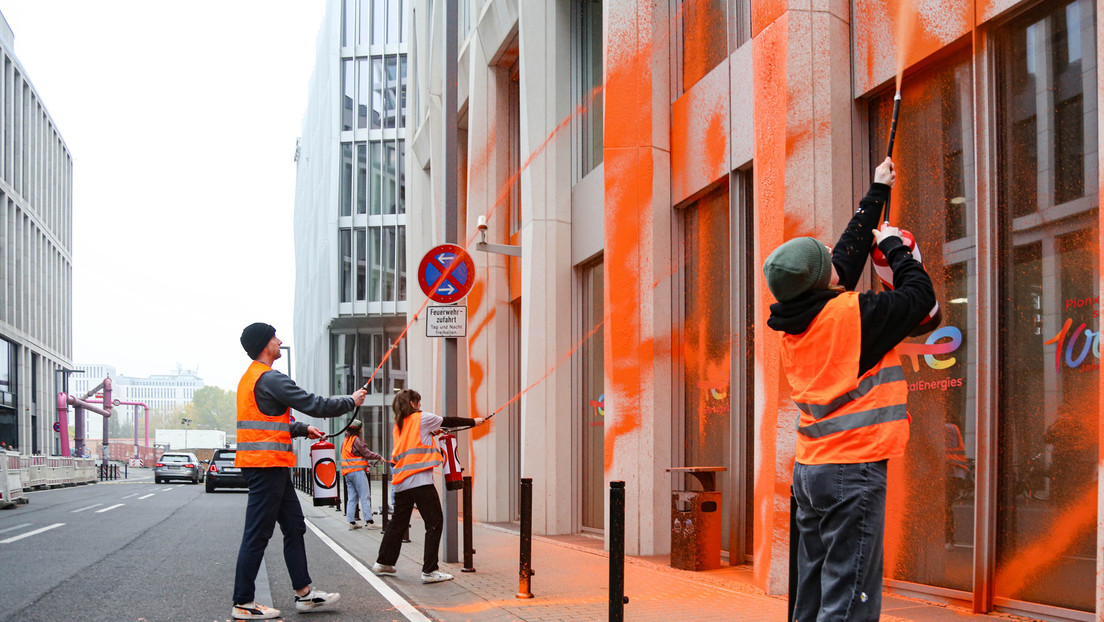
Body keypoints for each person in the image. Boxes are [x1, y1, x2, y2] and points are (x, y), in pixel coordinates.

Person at [764, 158, 936, 622]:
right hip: (851, 472)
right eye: (826, 263)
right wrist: (898, 250)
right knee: (848, 600)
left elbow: (842, 259)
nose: (835, 262)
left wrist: (875, 195)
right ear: (824, 283)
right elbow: (920, 299)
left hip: (811, 471)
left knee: (814, 593)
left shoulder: (794, 321)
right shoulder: (851, 318)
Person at [231, 322, 367, 621]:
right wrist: (350, 401)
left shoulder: (249, 380)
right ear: (265, 344)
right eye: (275, 338)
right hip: (266, 467)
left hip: (270, 467)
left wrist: (303, 429)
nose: (279, 342)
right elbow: (312, 403)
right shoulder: (270, 378)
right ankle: (243, 603)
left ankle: (304, 594)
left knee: (294, 526)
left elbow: (268, 424)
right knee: (257, 534)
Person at [371, 388, 486, 583]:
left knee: (398, 523)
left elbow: (417, 439)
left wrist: (433, 432)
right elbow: (448, 420)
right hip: (419, 481)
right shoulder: (421, 418)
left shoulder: (399, 424)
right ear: (413, 403)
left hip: (400, 482)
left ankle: (383, 562)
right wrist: (474, 422)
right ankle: (430, 570)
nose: (420, 405)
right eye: (418, 402)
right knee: (434, 522)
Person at [341, 418, 383, 530]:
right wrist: (378, 456)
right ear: (358, 429)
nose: (362, 429)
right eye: (361, 427)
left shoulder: (346, 440)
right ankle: (369, 522)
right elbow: (366, 453)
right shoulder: (356, 440)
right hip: (357, 473)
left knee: (352, 498)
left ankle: (351, 522)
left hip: (347, 473)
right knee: (365, 497)